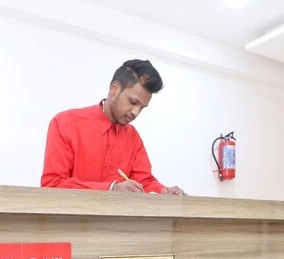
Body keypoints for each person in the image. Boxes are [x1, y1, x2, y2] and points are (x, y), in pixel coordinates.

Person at [40, 60, 185, 195]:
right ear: (114, 89)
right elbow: (52, 185)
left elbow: (143, 182)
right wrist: (111, 188)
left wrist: (164, 191)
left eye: (142, 108)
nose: (136, 112)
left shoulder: (132, 136)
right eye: (133, 102)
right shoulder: (65, 123)